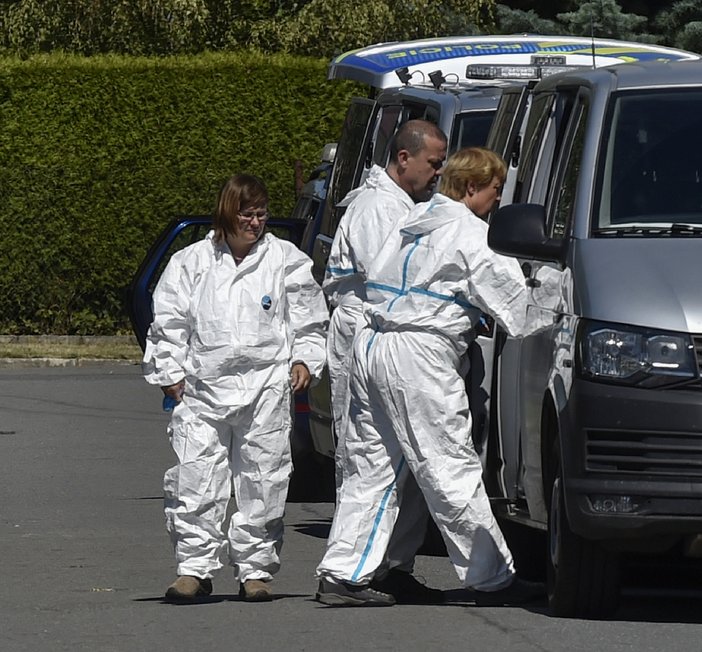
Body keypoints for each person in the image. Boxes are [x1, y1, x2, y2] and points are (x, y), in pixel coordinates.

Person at [314, 147, 545, 607]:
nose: (498, 202)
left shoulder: (411, 222)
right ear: (474, 187)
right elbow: (521, 312)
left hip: (373, 343)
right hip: (419, 354)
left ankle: (347, 571)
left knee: (373, 466)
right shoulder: (473, 235)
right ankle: (491, 577)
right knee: (448, 465)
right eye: (496, 191)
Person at [143, 173, 329, 603]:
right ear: (228, 212)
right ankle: (193, 569)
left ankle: (255, 569)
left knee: (264, 477)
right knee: (196, 479)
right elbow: (169, 321)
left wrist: (303, 358)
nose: (256, 222)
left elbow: (308, 316)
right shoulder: (192, 262)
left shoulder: (285, 259)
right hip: (203, 387)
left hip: (265, 385)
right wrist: (170, 372)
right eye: (247, 213)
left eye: (262, 214)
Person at [322, 119, 448, 603]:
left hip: (392, 336)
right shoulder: (378, 208)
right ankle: (352, 568)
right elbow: (389, 281)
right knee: (370, 460)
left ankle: (393, 564)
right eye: (433, 163)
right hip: (368, 336)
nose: (438, 172)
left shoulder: (402, 205)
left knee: (408, 462)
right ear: (403, 158)